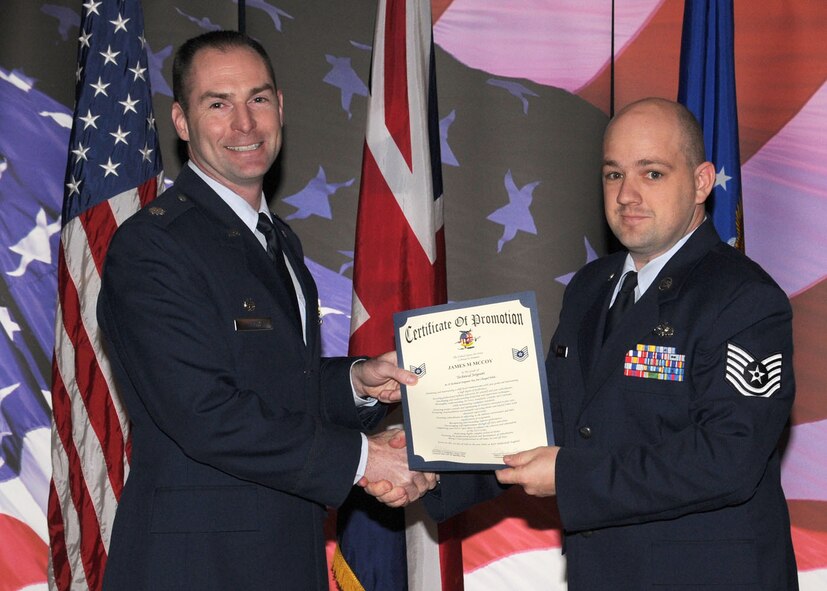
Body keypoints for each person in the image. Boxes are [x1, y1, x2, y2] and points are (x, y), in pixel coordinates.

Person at [384, 98, 798, 589]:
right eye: (613, 174)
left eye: (653, 174)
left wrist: (573, 476)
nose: (628, 195)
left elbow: (728, 459)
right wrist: (436, 464)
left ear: (702, 182)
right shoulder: (591, 287)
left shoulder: (743, 298)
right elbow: (551, 423)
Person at [97, 30, 432, 591]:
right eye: (218, 103)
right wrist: (361, 460)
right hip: (197, 567)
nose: (244, 124)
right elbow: (205, 413)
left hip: (284, 555)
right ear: (181, 122)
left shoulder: (278, 240)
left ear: (281, 107)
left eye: (257, 98)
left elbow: (274, 383)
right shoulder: (154, 247)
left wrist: (355, 382)